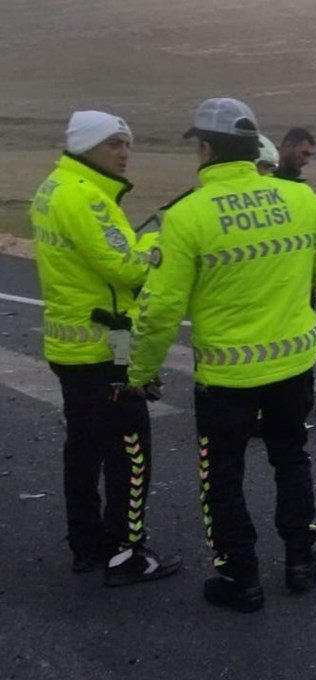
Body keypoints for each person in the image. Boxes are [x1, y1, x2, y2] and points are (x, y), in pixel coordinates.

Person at [127, 98, 316, 612]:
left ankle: (241, 578)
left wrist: (142, 371)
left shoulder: (187, 214)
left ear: (206, 148)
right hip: (294, 366)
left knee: (223, 476)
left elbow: (161, 307)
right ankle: (301, 560)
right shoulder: (293, 198)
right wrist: (302, 274)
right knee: (291, 460)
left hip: (227, 379)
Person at [29, 110, 181, 585]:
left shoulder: (56, 186)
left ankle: (87, 544)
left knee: (84, 447)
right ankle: (125, 553)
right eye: (114, 143)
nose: (124, 154)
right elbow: (128, 268)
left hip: (72, 343)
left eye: (127, 144)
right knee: (130, 451)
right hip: (101, 347)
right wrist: (159, 238)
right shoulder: (86, 197)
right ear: (87, 146)